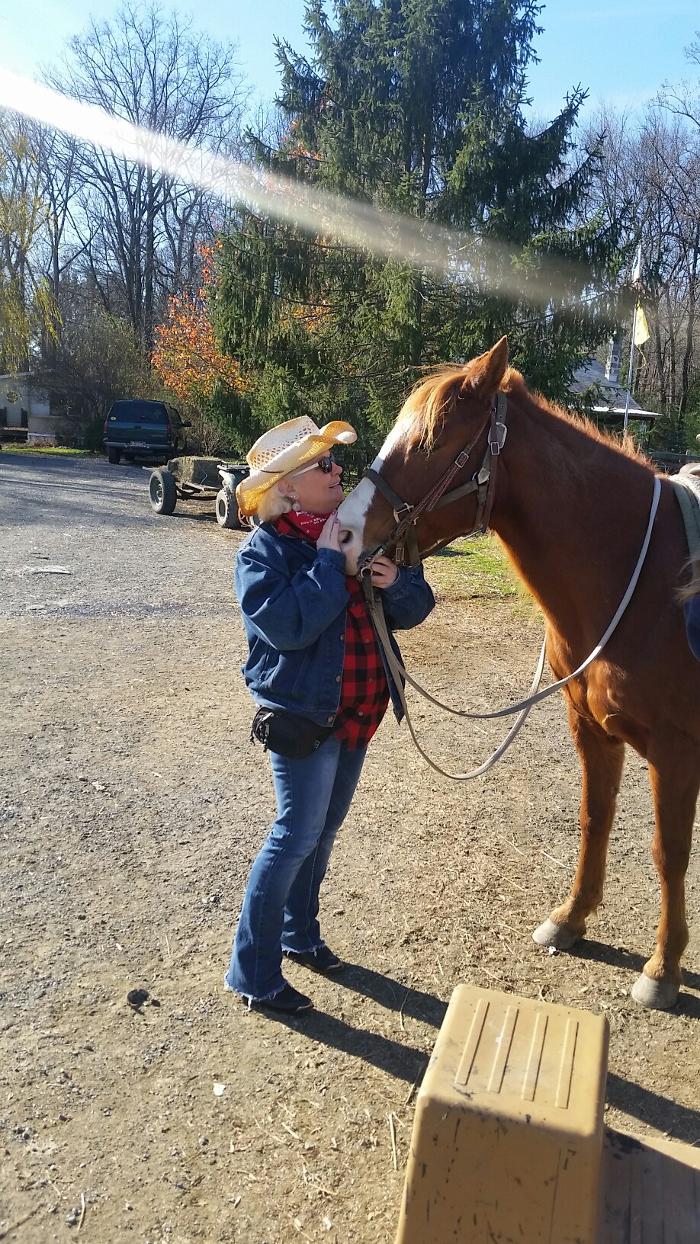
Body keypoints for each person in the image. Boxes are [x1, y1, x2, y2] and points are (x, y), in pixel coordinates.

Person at [224, 415, 435, 1015]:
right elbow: (289, 627)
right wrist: (326, 564)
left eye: (333, 462)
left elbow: (417, 607)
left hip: (358, 716)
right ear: (289, 486)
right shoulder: (264, 552)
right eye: (324, 465)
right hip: (305, 720)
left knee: (322, 834)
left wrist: (395, 582)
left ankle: (299, 936)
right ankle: (254, 975)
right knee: (293, 837)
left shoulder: (361, 534)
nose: (338, 470)